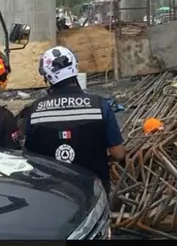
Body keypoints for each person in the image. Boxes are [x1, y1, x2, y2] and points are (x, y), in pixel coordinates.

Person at [22, 46, 125, 193]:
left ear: (47, 76)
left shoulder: (34, 110)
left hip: (51, 194)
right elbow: (118, 154)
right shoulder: (99, 106)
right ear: (75, 67)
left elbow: (29, 156)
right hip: (94, 192)